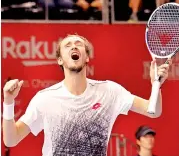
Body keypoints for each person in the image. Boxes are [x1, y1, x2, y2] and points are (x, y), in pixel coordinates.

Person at [3, 34, 171, 156]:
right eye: (67, 45)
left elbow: (153, 111)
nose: (74, 46)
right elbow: (11, 140)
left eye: (79, 44)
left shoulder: (110, 91)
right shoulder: (45, 99)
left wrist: (156, 84)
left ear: (87, 57)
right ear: (60, 60)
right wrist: (8, 103)